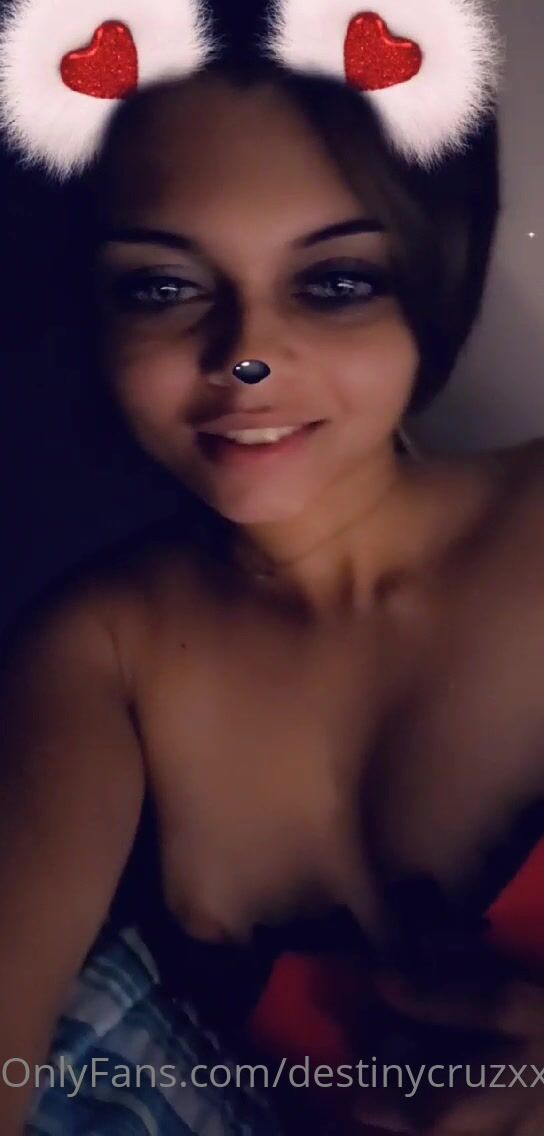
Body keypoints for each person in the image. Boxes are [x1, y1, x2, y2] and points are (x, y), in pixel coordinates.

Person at [2, 4, 544, 1132]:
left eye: (334, 281)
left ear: (434, 276)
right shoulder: (99, 653)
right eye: (163, 286)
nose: (246, 359)